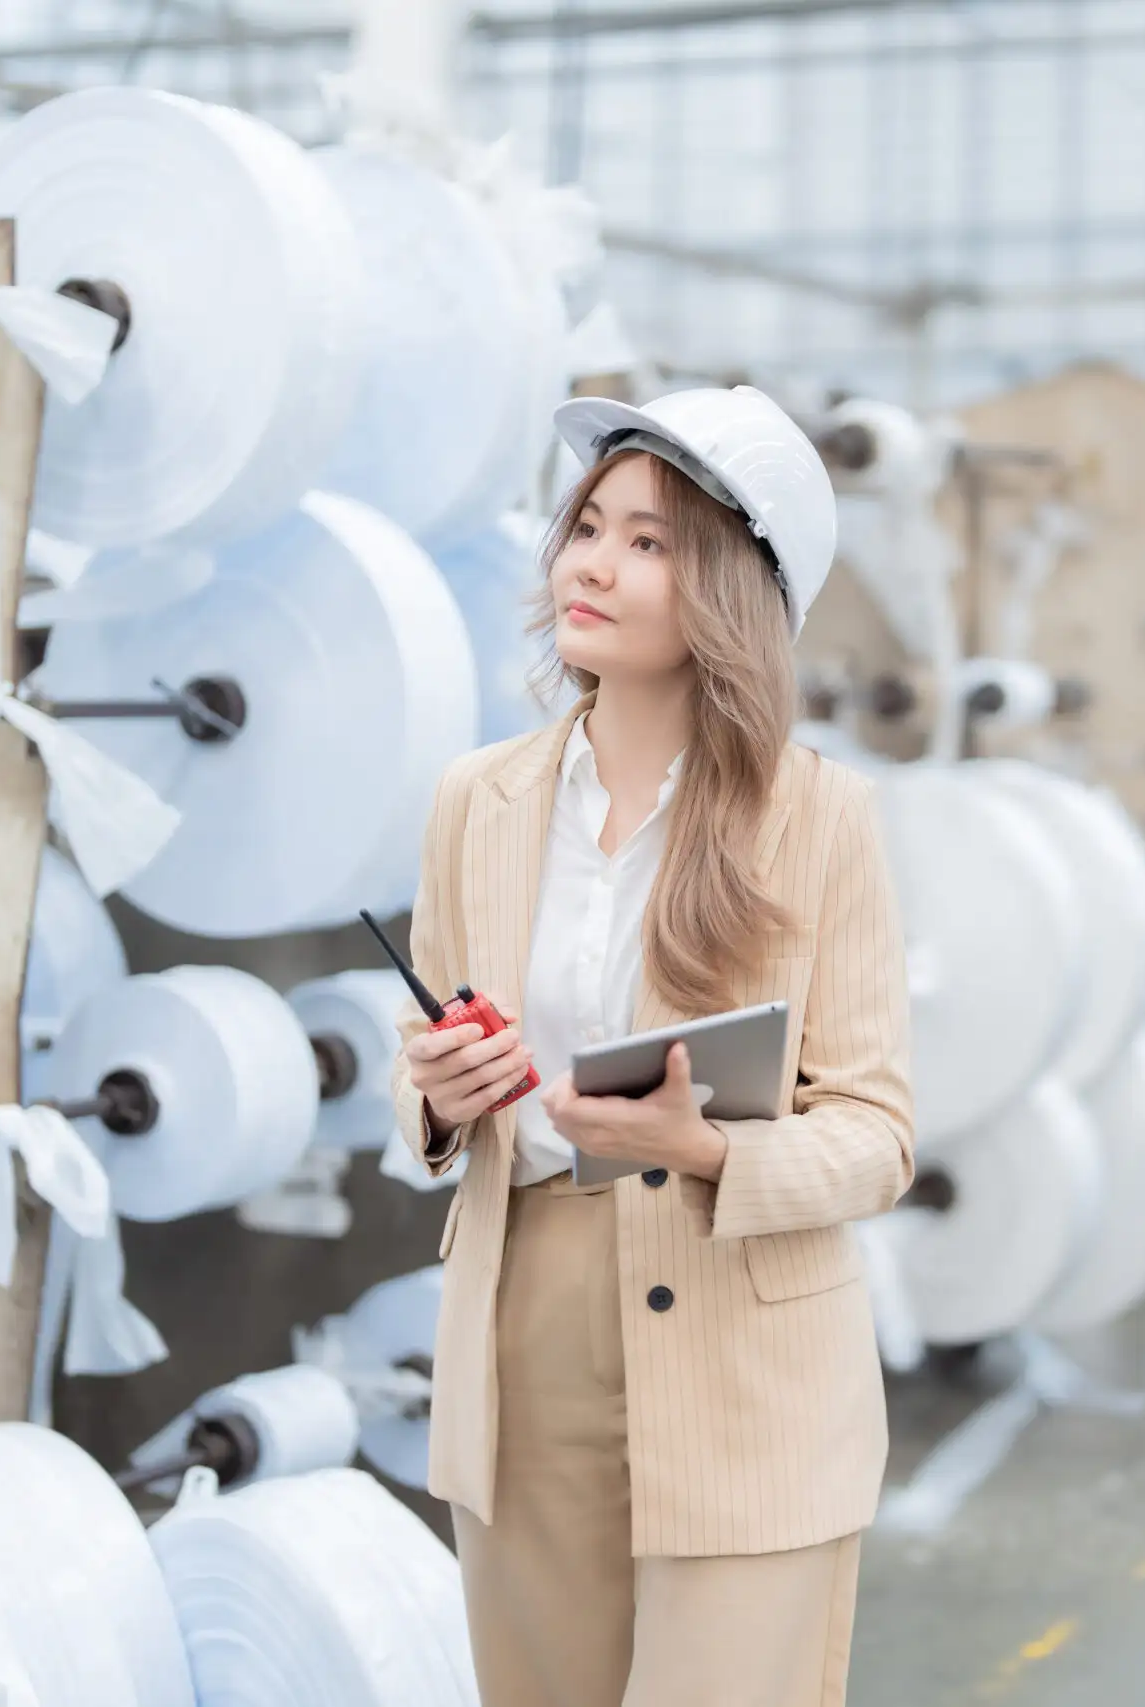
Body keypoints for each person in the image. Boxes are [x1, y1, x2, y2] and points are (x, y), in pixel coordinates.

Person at [389, 386, 914, 1707]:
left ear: (733, 588)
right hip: (526, 1323)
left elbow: (876, 1128)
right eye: (588, 527)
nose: (592, 564)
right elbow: (429, 1058)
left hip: (742, 1338)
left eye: (649, 543)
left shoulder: (820, 820)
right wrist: (441, 1092)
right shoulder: (478, 799)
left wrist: (704, 1148)